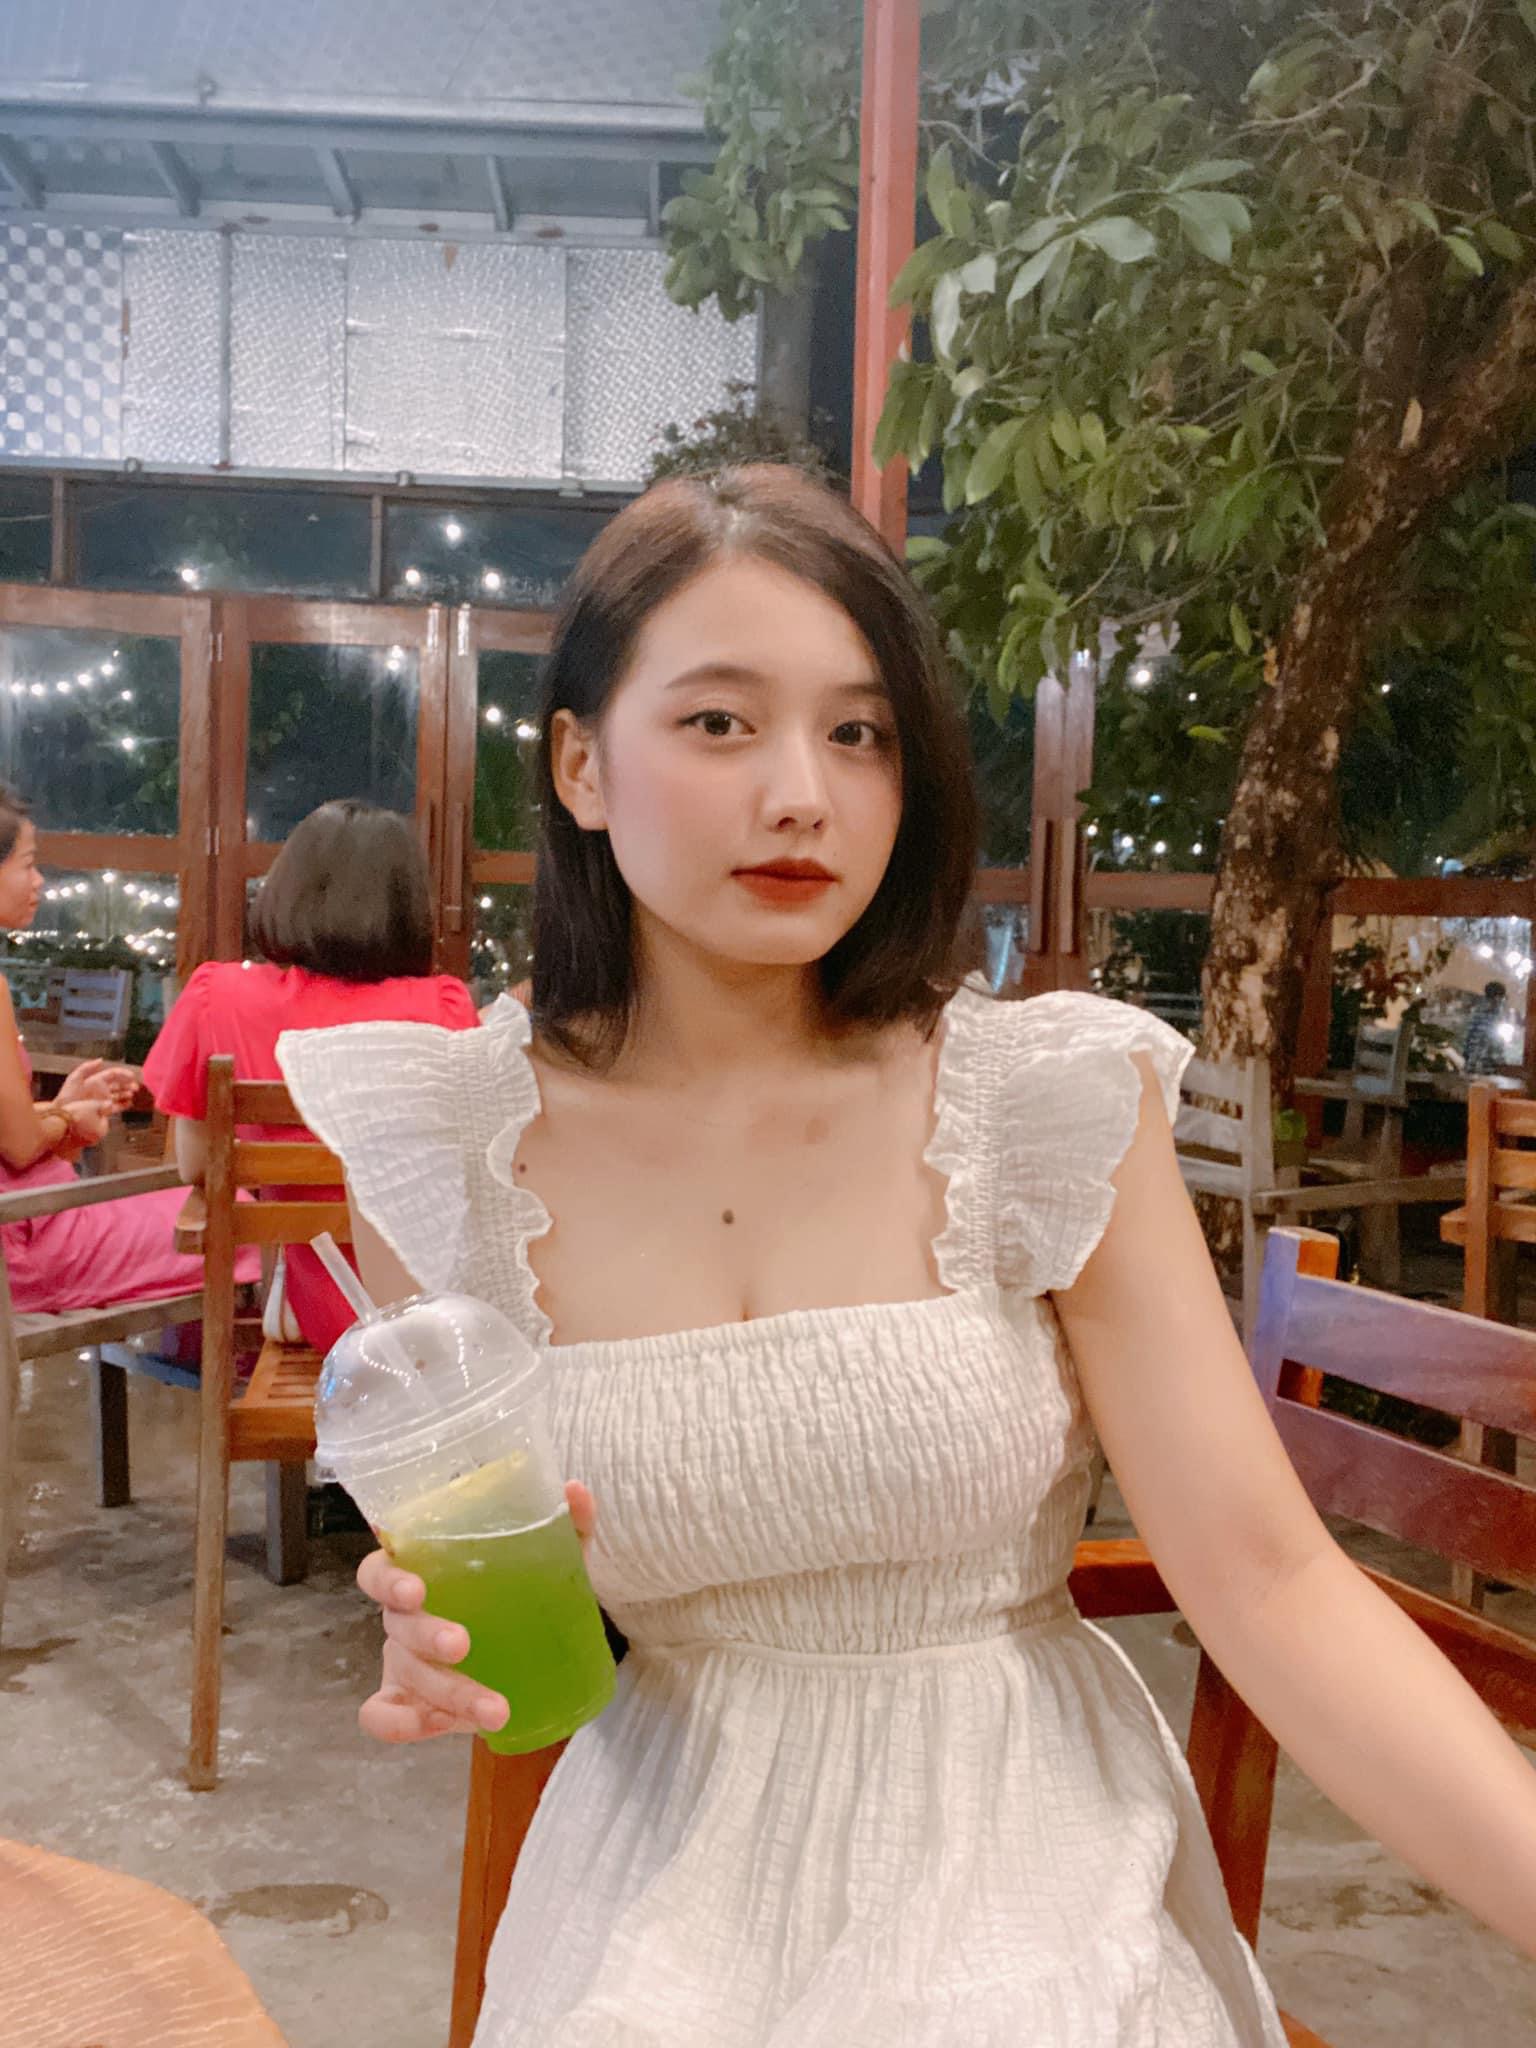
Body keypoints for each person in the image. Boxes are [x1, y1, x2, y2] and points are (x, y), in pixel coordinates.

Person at [279, 468, 1536, 2046]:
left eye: (860, 733)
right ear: (582, 764)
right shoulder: (449, 1145)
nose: (802, 793)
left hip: (1022, 1877)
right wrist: (432, 1633)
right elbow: (527, 1611)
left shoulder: (1038, 1103)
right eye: (721, 722)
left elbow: (1269, 1580)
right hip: (661, 1886)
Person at [145, 800, 478, 1356]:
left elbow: (196, 1165)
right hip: (429, 1318)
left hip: (320, 1309)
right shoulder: (444, 1008)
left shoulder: (215, 998)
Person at [0, 790, 230, 1314]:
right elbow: (18, 1145)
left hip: (27, 1229)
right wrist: (69, 1120)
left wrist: (62, 1107)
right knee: (232, 1215)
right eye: (28, 864)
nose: (39, 881)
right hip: (25, 1246)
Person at [1462, 978, 1508, 1076]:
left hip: (1484, 1063)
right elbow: (1469, 1037)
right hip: (1481, 1063)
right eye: (1500, 997)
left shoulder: (1496, 1013)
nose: (1500, 1000)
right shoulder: (1481, 1013)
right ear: (1496, 997)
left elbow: (1468, 1037)